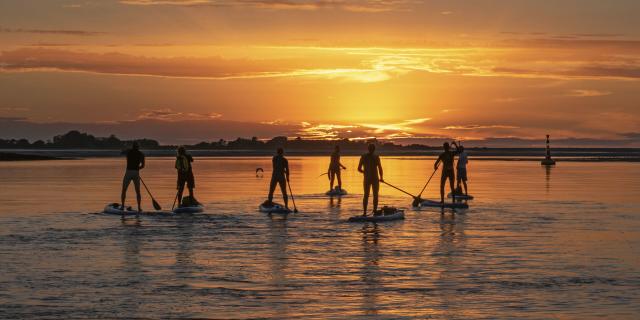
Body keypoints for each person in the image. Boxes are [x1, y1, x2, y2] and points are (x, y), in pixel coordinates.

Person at [358, 143, 384, 216]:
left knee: (366, 195)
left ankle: (365, 212)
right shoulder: (376, 157)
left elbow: (359, 169)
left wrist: (365, 172)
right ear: (374, 149)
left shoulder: (363, 157)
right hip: (374, 179)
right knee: (374, 195)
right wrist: (381, 177)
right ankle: (373, 211)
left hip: (368, 178)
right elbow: (380, 168)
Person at [121, 141, 145, 213]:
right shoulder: (141, 154)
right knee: (138, 191)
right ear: (138, 147)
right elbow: (143, 166)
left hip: (128, 172)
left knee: (124, 190)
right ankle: (139, 208)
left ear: (133, 146)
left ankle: (122, 206)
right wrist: (137, 169)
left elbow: (122, 151)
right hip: (136, 173)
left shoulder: (128, 152)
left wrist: (125, 145)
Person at [434, 142, 456, 207]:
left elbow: (459, 151)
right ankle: (442, 200)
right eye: (445, 147)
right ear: (444, 147)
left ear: (447, 147)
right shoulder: (442, 155)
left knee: (451, 186)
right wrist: (435, 167)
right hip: (445, 172)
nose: (445, 148)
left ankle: (453, 201)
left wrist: (455, 144)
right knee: (442, 186)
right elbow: (435, 164)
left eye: (446, 147)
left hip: (450, 171)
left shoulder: (451, 153)